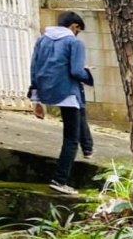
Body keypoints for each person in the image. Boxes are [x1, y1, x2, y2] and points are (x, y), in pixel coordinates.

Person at [28, 11, 94, 195]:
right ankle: (60, 179)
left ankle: (88, 148)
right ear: (74, 27)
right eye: (78, 30)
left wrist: (36, 99)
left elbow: (34, 67)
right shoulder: (74, 43)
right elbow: (76, 71)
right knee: (71, 138)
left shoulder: (42, 40)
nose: (77, 33)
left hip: (46, 89)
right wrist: (88, 75)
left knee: (80, 112)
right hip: (68, 92)